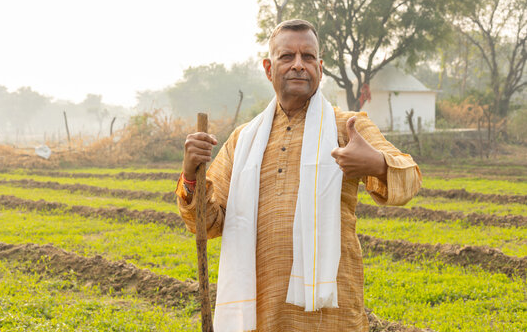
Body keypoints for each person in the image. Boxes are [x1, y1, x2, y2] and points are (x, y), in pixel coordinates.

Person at [176, 19, 421, 332]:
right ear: (268, 68)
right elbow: (208, 223)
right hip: (260, 310)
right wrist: (190, 174)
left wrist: (376, 164)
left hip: (330, 312)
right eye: (286, 57)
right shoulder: (243, 139)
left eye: (308, 57)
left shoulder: (347, 127)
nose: (298, 65)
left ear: (320, 66)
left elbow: (411, 178)